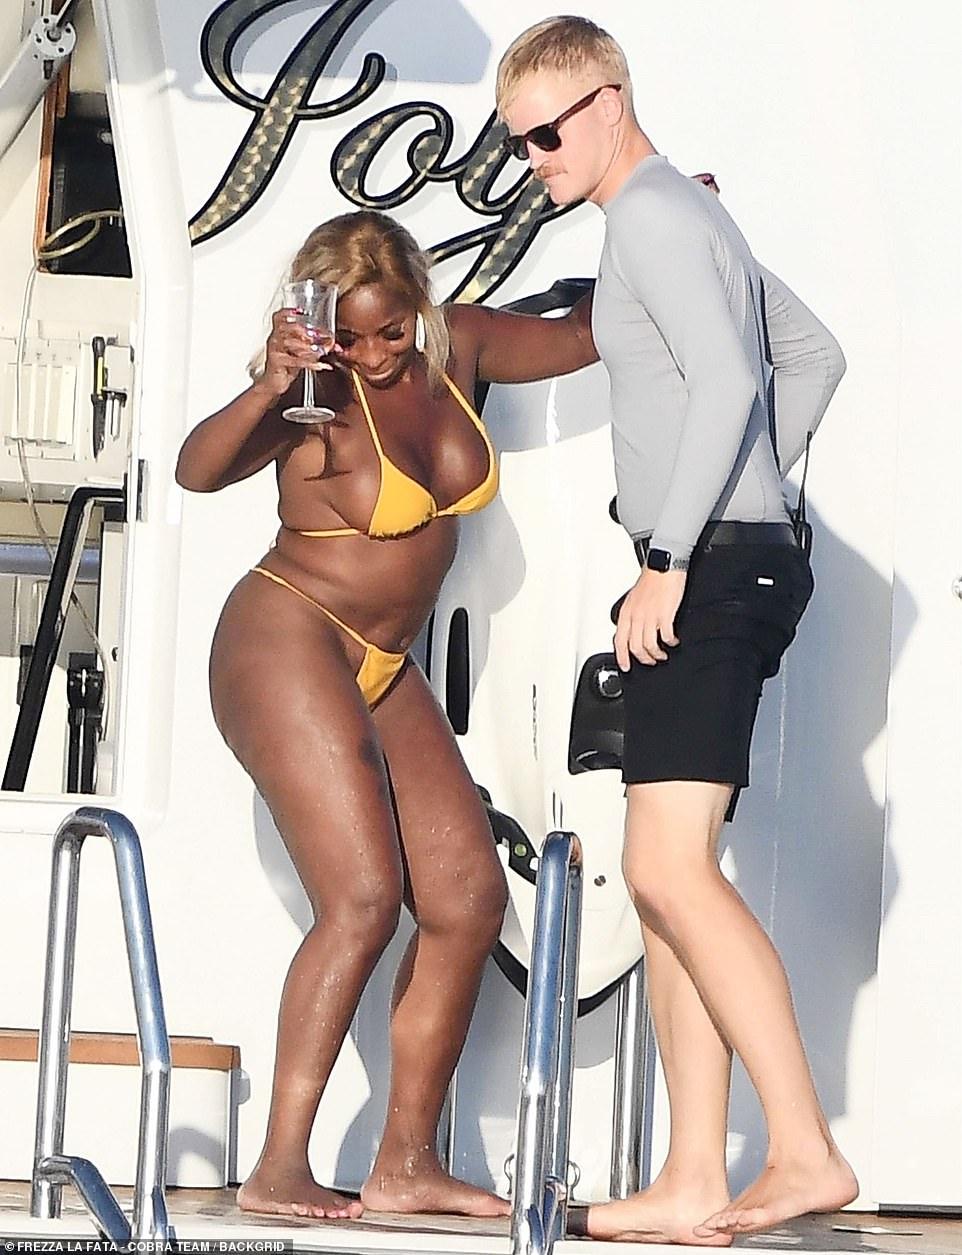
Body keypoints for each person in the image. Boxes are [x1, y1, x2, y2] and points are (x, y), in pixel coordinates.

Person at [496, 17, 856, 1246]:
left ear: (608, 100)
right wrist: (748, 492)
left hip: (701, 574)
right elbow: (812, 355)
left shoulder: (653, 215)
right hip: (725, 559)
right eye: (518, 143)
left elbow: (735, 380)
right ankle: (693, 1174)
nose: (535, 159)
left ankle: (802, 1150)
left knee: (665, 872)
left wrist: (672, 551)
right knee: (663, 884)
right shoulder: (687, 214)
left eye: (547, 134)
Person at [175, 210, 595, 1221]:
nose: (372, 353)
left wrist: (660, 227)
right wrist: (272, 384)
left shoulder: (462, 345)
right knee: (361, 898)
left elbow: (589, 336)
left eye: (391, 330)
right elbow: (197, 470)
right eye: (352, 335)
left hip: (383, 659)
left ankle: (405, 1160)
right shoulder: (314, 389)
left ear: (418, 302)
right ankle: (278, 1164)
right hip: (287, 634)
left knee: (467, 899)